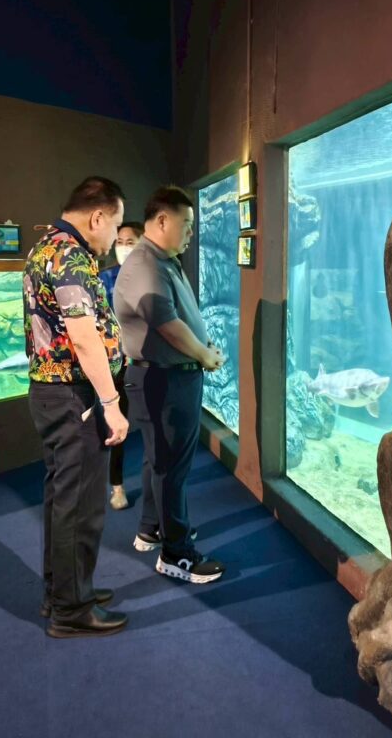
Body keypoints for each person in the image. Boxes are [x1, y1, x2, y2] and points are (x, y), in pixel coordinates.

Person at [24, 176, 130, 638]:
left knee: (62, 499)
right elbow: (84, 339)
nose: (116, 237)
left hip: (52, 395)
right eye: (117, 226)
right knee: (81, 505)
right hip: (74, 398)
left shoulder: (45, 246)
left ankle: (63, 591)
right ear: (98, 217)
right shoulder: (70, 256)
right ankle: (71, 610)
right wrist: (111, 403)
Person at [114, 186, 227, 584]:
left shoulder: (162, 261)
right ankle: (176, 555)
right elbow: (168, 324)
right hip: (163, 380)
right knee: (170, 468)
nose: (192, 232)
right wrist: (203, 355)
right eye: (188, 224)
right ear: (162, 220)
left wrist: (202, 349)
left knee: (158, 460)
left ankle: (152, 528)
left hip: (168, 377)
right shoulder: (146, 264)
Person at [99, 222, 144, 511]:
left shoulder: (154, 276)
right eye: (120, 241)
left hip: (149, 362)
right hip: (115, 364)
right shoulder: (104, 278)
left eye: (130, 241)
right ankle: (117, 485)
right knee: (117, 425)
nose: (124, 246)